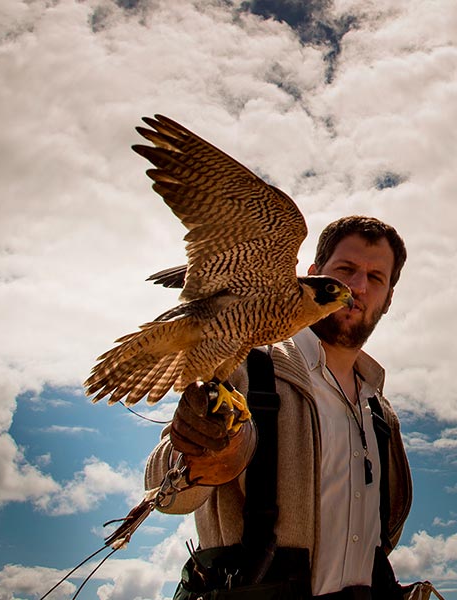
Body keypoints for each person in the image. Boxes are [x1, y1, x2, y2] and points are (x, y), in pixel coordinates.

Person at [145, 215, 412, 599]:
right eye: (346, 270)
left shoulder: (381, 415)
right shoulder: (246, 366)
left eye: (375, 278)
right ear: (313, 273)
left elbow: (383, 537)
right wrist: (198, 451)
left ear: (388, 298)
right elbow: (163, 490)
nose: (356, 287)